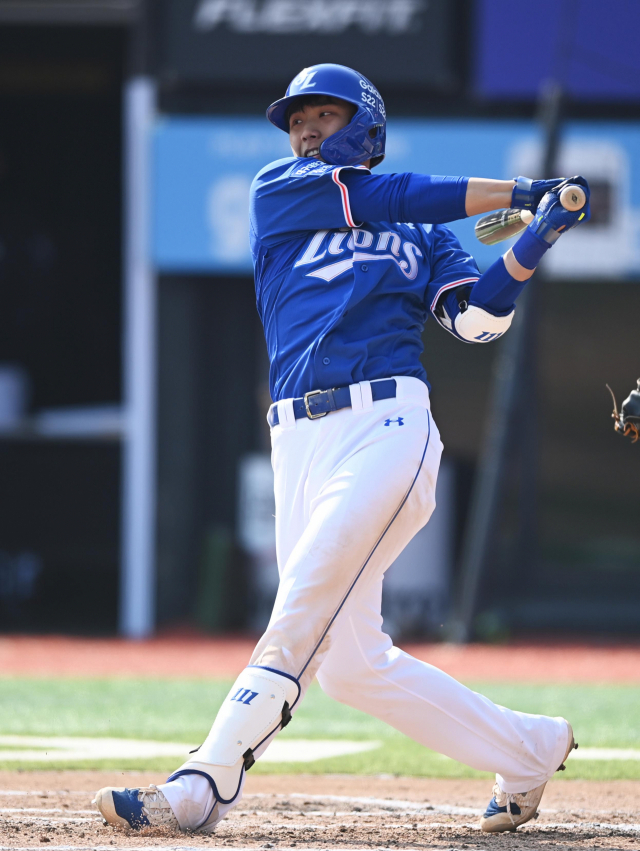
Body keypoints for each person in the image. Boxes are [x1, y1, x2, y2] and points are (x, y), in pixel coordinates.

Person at [94, 64, 589, 836]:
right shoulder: (281, 189)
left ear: (364, 125)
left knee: (298, 609)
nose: (305, 131)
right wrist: (522, 192)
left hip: (387, 428)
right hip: (298, 441)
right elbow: (390, 196)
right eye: (297, 120)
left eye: (323, 115)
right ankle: (531, 747)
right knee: (351, 666)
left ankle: (204, 782)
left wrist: (536, 236)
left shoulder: (424, 235)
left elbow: (475, 320)